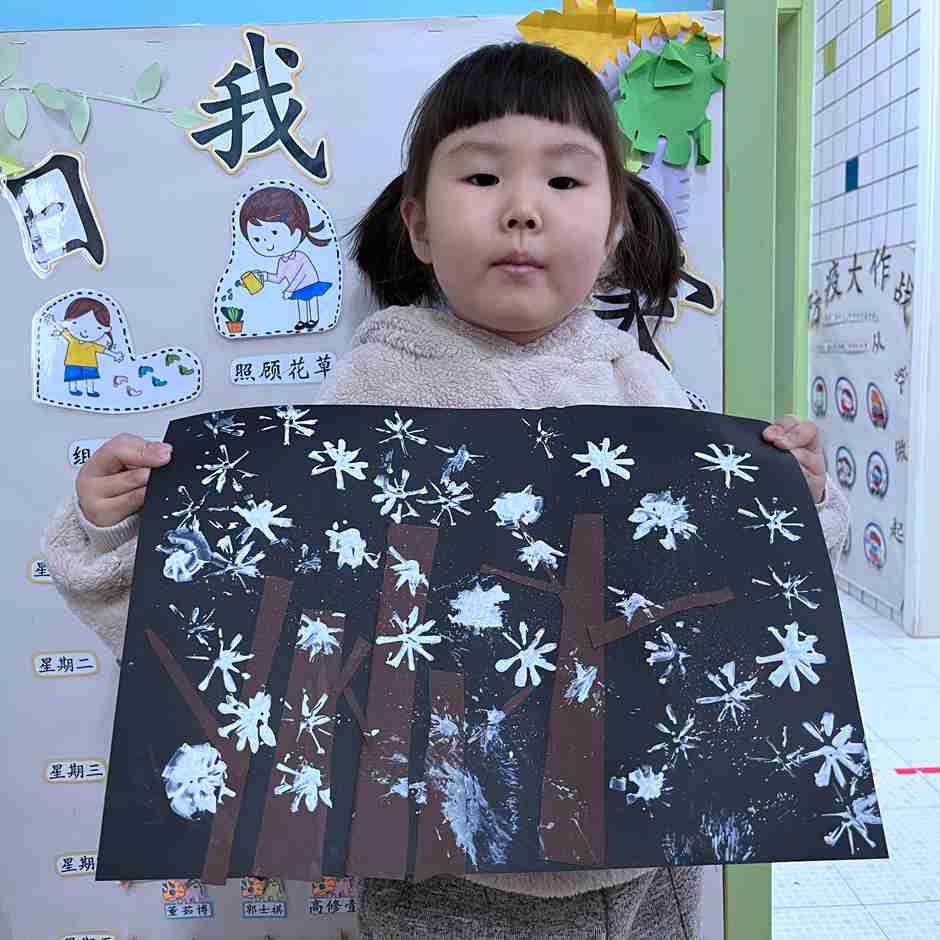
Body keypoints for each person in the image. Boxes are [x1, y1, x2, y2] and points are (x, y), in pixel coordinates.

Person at [43, 42, 848, 939]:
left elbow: (739, 605)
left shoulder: (645, 392)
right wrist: (116, 530)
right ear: (420, 227)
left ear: (616, 227)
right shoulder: (365, 399)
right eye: (482, 176)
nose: (523, 209)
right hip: (434, 867)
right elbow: (236, 616)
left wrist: (794, 501)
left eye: (565, 181)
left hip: (642, 856)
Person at [239, 186, 334, 331]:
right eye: (257, 239)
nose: (268, 245)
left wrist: (290, 289)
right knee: (300, 301)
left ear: (299, 228)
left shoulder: (301, 257)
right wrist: (263, 276)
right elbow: (279, 277)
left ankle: (314, 319)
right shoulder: (281, 260)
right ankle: (303, 320)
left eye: (275, 232)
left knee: (311, 299)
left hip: (309, 283)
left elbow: (301, 275)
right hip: (296, 287)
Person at [42, 296, 125, 398]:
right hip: (72, 363)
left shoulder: (92, 345)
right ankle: (73, 390)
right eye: (75, 323)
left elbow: (104, 350)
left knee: (90, 378)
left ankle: (90, 391)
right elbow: (62, 330)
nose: (85, 331)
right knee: (73, 378)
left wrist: (115, 354)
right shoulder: (72, 339)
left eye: (97, 327)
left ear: (105, 329)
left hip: (90, 364)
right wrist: (52, 322)